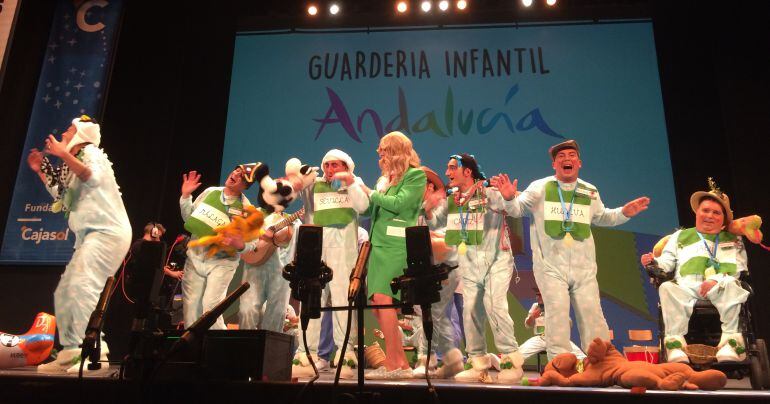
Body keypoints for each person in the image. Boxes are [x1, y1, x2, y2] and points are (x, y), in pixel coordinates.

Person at [493, 139, 650, 360]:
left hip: (584, 268)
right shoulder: (540, 187)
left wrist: (624, 212)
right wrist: (509, 197)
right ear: (554, 165)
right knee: (556, 316)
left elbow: (602, 217)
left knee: (593, 315)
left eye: (571, 155)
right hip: (550, 267)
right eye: (561, 157)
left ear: (579, 163)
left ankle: (602, 362)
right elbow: (517, 209)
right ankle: (560, 364)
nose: (567, 159)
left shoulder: (589, 190)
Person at [29, 115, 132, 373]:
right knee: (66, 292)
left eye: (69, 130)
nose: (64, 132)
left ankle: (96, 354)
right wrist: (42, 169)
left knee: (82, 287)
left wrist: (63, 155)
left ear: (81, 135)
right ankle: (71, 354)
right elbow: (63, 196)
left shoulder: (92, 153)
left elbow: (92, 178)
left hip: (107, 232)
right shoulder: (72, 162)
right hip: (89, 234)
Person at [423, 154, 523, 383]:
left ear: (467, 171)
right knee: (470, 313)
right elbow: (435, 222)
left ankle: (511, 360)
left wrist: (508, 197)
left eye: (452, 168)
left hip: (496, 260)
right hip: (468, 261)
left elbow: (514, 209)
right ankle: (478, 363)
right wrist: (428, 208)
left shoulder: (489, 193)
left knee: (495, 305)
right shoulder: (453, 199)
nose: (447, 173)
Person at [641, 182, 749, 363]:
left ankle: (731, 344)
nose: (710, 216)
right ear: (697, 212)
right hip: (687, 286)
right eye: (705, 210)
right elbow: (667, 263)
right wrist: (654, 262)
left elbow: (736, 266)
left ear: (723, 218)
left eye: (716, 213)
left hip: (720, 285)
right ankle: (675, 346)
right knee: (668, 287)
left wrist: (715, 280)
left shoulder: (732, 238)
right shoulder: (679, 237)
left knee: (732, 284)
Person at [292, 149, 369, 379]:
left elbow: (364, 206)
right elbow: (291, 191)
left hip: (343, 253)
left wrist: (351, 182)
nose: (330, 169)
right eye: (327, 165)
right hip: (316, 251)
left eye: (336, 165)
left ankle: (346, 353)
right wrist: (299, 176)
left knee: (342, 301)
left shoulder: (354, 183)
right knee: (312, 299)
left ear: (346, 166)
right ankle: (307, 353)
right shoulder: (314, 185)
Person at [362, 131, 426, 379]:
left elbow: (399, 204)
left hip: (397, 245)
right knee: (378, 306)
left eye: (383, 149)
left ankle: (393, 364)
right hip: (378, 245)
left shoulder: (415, 176)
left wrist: (370, 191)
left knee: (384, 298)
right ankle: (399, 362)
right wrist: (361, 194)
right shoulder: (385, 179)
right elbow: (371, 208)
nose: (379, 153)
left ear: (396, 150)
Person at [178, 164, 260, 330]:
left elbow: (253, 243)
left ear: (245, 186)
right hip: (195, 257)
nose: (235, 174)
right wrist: (186, 196)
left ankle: (218, 349)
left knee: (211, 307)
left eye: (241, 175)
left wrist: (240, 244)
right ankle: (192, 351)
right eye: (236, 170)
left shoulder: (247, 209)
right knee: (191, 309)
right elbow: (190, 219)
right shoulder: (211, 192)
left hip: (222, 262)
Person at [411, 166, 464, 379]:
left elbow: (450, 236)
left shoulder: (444, 204)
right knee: (429, 312)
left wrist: (433, 237)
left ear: (430, 186)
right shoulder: (420, 209)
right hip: (427, 268)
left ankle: (450, 358)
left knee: (439, 313)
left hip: (445, 267)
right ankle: (430, 359)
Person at [238, 209, 296, 334]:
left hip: (280, 272)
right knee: (247, 310)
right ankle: (245, 347)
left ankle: (269, 350)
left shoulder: (294, 221)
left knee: (276, 313)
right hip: (253, 268)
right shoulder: (254, 213)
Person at [518, 289, 585, 361]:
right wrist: (533, 316)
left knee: (581, 357)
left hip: (557, 339)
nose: (538, 297)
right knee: (518, 354)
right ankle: (507, 367)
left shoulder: (557, 305)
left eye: (540, 295)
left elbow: (569, 324)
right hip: (541, 338)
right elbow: (527, 325)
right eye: (537, 295)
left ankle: (588, 368)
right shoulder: (535, 306)